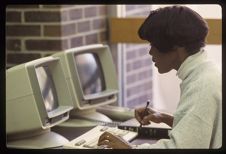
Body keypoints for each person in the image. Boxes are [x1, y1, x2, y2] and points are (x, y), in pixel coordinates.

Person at [98, 5, 222, 149]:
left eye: (153, 44)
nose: (150, 52)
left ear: (177, 46)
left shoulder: (201, 86)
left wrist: (130, 149)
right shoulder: (207, 71)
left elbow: (181, 147)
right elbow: (201, 128)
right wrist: (165, 118)